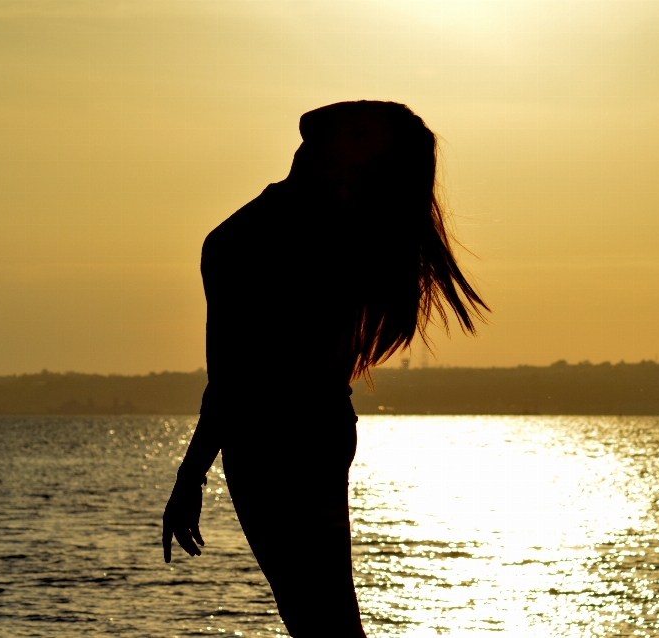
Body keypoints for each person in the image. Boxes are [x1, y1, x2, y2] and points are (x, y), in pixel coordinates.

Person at [161, 100, 488, 636]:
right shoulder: (316, 232)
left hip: (283, 440)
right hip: (295, 433)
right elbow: (232, 374)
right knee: (320, 618)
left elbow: (234, 374)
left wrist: (191, 473)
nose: (337, 124)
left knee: (321, 620)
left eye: (359, 133)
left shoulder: (310, 238)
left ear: (353, 168)